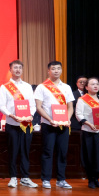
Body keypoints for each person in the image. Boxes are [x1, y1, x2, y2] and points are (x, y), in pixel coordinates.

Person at [34, 61, 75, 189]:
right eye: (53, 69)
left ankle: (61, 179)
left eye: (58, 68)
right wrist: (50, 119)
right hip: (48, 124)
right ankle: (46, 179)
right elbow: (38, 107)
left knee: (62, 152)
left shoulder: (66, 87)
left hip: (63, 125)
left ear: (61, 70)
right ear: (48, 71)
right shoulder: (42, 87)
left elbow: (70, 107)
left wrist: (67, 119)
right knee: (47, 152)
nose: (56, 71)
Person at [0, 60, 38, 188]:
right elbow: (1, 106)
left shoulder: (27, 86)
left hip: (26, 124)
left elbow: (32, 105)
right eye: (15, 67)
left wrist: (30, 115)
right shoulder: (5, 87)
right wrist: (11, 115)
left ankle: (25, 177)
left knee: (25, 151)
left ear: (22, 70)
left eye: (20, 67)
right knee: (13, 151)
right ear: (10, 70)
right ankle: (13, 177)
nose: (18, 70)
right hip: (12, 124)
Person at [75, 77, 99, 189]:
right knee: (89, 155)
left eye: (97, 84)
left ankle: (96, 179)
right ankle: (90, 179)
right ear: (86, 87)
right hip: (88, 131)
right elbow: (78, 114)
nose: (95, 86)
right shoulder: (82, 99)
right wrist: (88, 124)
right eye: (92, 84)